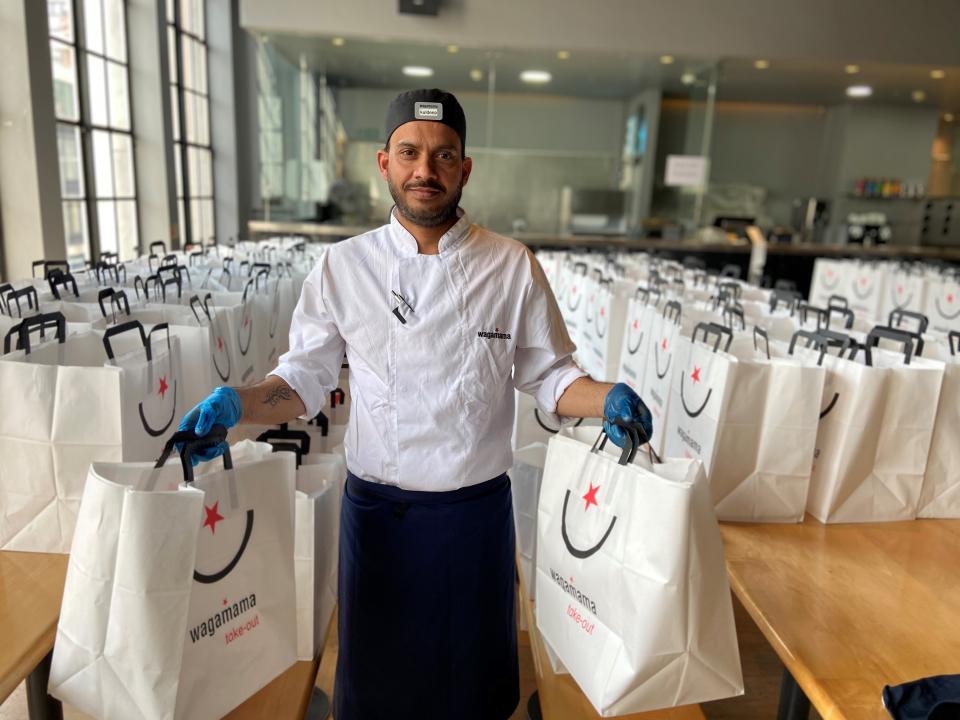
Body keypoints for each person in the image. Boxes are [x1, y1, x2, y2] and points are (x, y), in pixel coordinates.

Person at [179, 88, 652, 720]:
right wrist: (237, 403)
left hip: (475, 520)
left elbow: (552, 377)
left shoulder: (510, 266)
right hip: (380, 519)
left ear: (465, 167)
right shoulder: (344, 268)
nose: (424, 170)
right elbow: (302, 381)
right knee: (378, 697)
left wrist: (608, 397)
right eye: (409, 152)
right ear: (384, 163)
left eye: (442, 154)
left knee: (472, 698)